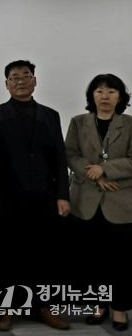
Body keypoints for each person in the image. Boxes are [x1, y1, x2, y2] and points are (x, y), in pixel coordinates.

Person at [0, 59, 71, 331]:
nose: (20, 81)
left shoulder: (51, 115)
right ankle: (6, 310)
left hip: (44, 197)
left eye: (26, 76)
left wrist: (62, 194)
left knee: (45, 255)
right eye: (14, 77)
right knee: (8, 255)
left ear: (35, 80)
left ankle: (44, 308)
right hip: (7, 196)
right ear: (6, 84)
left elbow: (60, 158)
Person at [65, 73, 132, 331]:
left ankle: (119, 309)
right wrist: (94, 175)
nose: (105, 96)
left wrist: (105, 169)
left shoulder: (129, 124)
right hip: (86, 202)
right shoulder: (78, 122)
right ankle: (98, 305)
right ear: (92, 95)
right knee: (92, 259)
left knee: (121, 261)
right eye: (100, 91)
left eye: (111, 91)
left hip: (122, 203)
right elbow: (70, 154)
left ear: (120, 97)